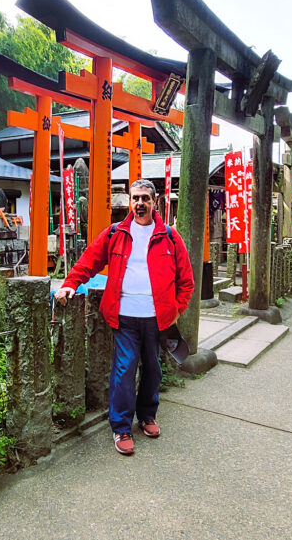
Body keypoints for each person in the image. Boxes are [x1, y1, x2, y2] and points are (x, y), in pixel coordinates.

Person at [53, 179, 194, 455]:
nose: (140, 203)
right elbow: (89, 261)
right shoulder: (116, 232)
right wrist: (70, 283)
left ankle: (148, 416)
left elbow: (186, 280)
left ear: (155, 203)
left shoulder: (169, 237)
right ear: (131, 202)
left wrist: (176, 309)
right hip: (125, 316)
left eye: (145, 198)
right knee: (125, 368)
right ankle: (121, 427)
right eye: (135, 198)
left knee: (153, 367)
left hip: (157, 318)